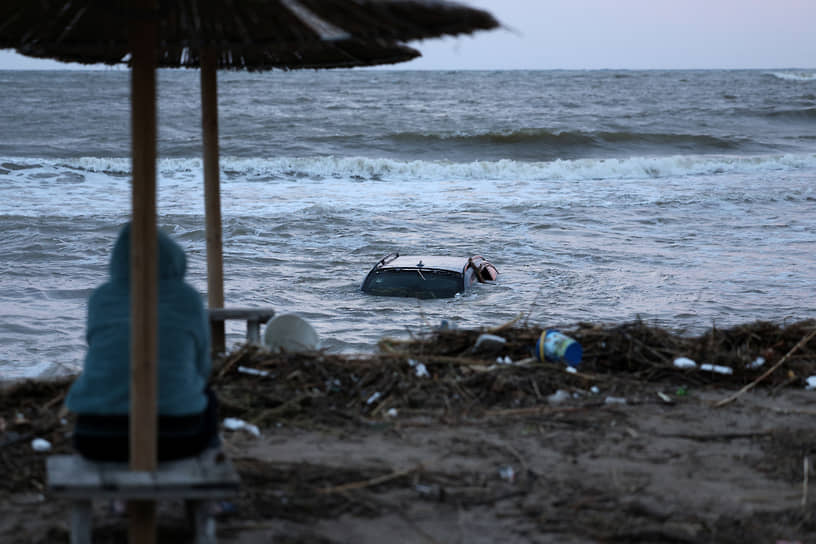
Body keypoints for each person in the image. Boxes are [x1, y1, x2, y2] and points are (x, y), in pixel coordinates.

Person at [66, 222, 218, 461]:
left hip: (95, 437)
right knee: (208, 396)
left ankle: (118, 497)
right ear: (172, 258)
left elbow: (98, 349)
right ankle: (205, 488)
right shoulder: (188, 299)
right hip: (178, 437)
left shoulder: (101, 298)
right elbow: (203, 369)